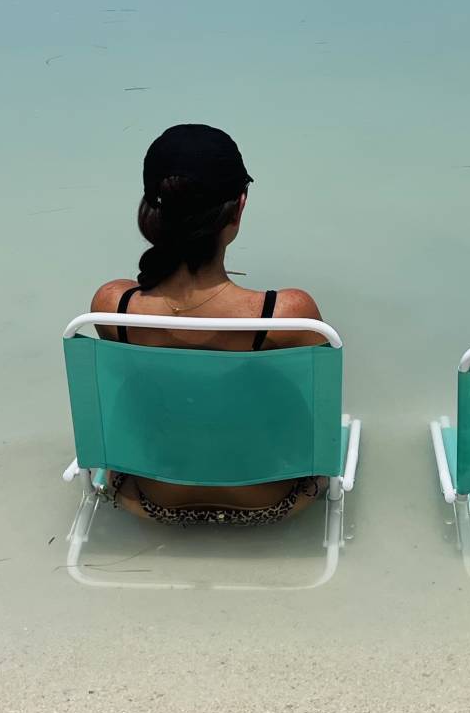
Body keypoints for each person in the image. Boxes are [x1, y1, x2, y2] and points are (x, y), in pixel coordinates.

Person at [88, 124, 327, 525]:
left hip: (153, 498)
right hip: (270, 499)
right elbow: (311, 423)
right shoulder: (286, 315)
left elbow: (133, 402)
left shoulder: (113, 306)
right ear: (240, 207)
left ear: (151, 211)